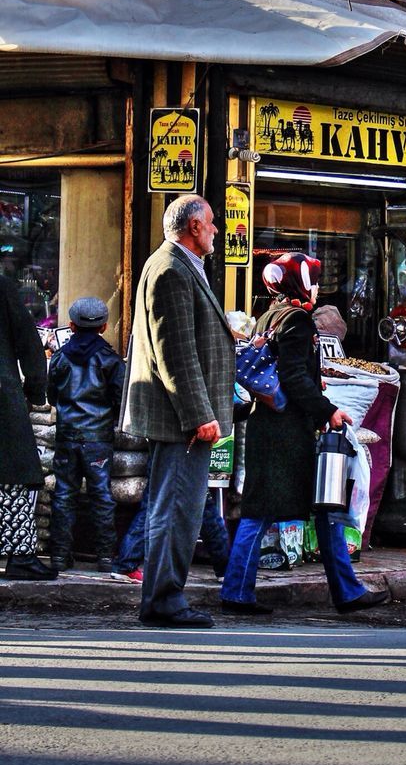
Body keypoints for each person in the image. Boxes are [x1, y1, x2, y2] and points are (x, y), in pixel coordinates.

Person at [220, 252, 389, 616]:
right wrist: (328, 410)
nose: (316, 287)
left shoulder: (269, 316)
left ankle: (346, 591)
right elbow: (294, 377)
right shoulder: (298, 321)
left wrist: (315, 385)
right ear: (298, 282)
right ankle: (236, 592)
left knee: (320, 508)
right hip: (287, 435)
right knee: (270, 510)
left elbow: (288, 372)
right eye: (312, 279)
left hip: (272, 429)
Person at [122, 194, 234, 628]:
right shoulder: (171, 268)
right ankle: (165, 600)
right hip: (181, 421)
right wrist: (198, 415)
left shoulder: (176, 264)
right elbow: (177, 353)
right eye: (210, 223)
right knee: (176, 511)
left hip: (183, 417)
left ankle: (162, 598)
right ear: (193, 228)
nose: (216, 230)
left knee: (175, 508)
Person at [47, 297, 125, 572]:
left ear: (70, 326)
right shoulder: (111, 360)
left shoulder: (59, 358)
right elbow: (119, 399)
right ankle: (105, 557)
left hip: (67, 436)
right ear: (104, 327)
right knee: (101, 496)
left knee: (64, 494)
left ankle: (59, 556)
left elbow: (52, 395)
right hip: (97, 439)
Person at [0, 274, 57, 580]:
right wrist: (36, 392)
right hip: (3, 397)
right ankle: (20, 555)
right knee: (13, 475)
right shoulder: (3, 288)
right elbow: (29, 344)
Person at [111, 475, 231, 584]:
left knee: (152, 506)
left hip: (163, 457)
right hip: (185, 458)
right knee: (205, 510)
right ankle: (226, 569)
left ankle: (126, 563)